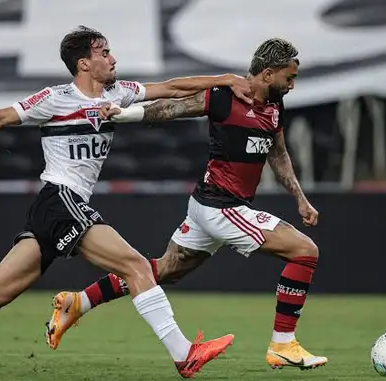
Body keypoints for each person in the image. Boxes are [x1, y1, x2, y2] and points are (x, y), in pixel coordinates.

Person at [0, 26, 253, 378]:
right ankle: (184, 355)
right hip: (59, 199)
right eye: (104, 53)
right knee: (136, 265)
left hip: (56, 207)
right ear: (84, 63)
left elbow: (171, 87)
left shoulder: (119, 93)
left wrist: (226, 79)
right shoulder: (55, 98)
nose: (113, 58)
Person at [45, 37, 328, 370]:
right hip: (222, 207)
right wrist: (125, 114)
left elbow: (278, 155)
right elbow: (173, 108)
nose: (292, 85)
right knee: (304, 251)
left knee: (163, 270)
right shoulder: (225, 97)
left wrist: (300, 199)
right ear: (267, 74)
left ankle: (79, 302)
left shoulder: (275, 108)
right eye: (289, 78)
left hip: (208, 207)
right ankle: (283, 344)